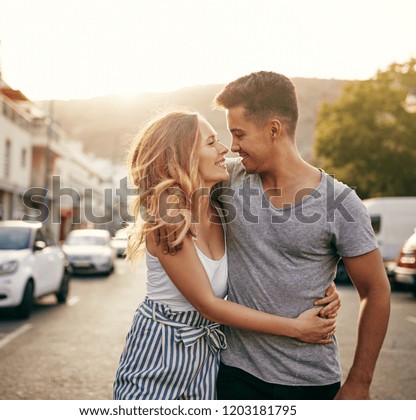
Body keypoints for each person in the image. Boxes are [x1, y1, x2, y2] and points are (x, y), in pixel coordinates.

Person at [113, 111, 341, 400]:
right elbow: (208, 304)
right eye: (211, 142)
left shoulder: (221, 209)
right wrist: (297, 329)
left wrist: (317, 288)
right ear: (183, 156)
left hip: (206, 358)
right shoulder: (168, 216)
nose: (224, 149)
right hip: (160, 350)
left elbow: (266, 257)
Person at [204, 71, 391, 400]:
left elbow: (376, 291)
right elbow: (170, 174)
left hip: (311, 381)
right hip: (236, 375)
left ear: (274, 129)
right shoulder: (226, 179)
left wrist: (360, 382)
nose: (233, 146)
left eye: (239, 134)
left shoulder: (340, 203)